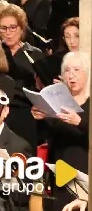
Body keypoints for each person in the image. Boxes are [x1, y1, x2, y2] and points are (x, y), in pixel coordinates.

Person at [31, 51, 89, 211]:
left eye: (77, 70)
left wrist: (80, 122)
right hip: (60, 175)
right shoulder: (57, 104)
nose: (72, 75)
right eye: (67, 71)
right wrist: (40, 119)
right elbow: (45, 138)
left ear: (87, 73)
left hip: (84, 175)